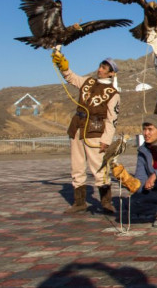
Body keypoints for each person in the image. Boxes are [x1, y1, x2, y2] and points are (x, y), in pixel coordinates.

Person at [53, 52, 120, 215]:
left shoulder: (113, 93)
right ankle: (79, 202)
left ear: (111, 73)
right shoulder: (87, 81)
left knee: (99, 167)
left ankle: (106, 202)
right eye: (100, 66)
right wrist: (63, 65)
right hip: (77, 127)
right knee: (77, 166)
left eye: (104, 68)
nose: (100, 69)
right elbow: (71, 77)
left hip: (96, 131)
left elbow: (112, 119)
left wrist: (106, 139)